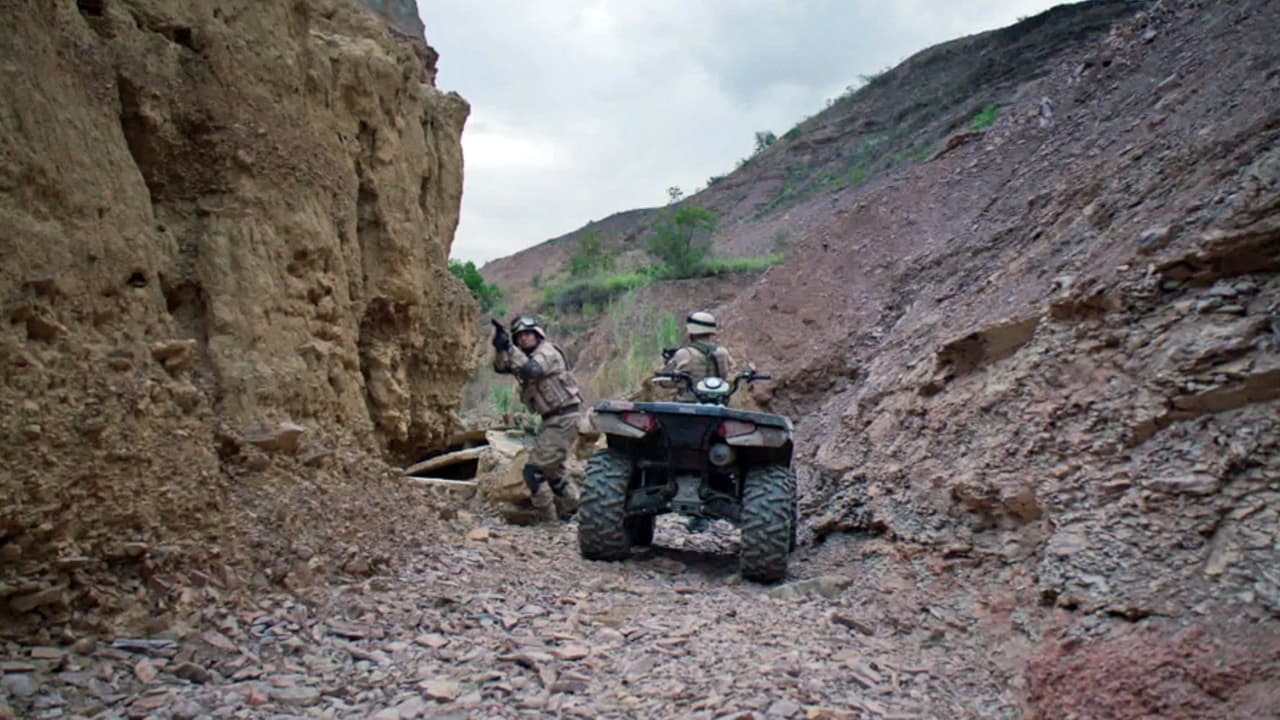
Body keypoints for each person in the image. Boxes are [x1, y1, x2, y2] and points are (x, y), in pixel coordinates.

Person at [492, 316, 584, 523]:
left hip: (564, 418)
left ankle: (549, 523)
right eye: (519, 337)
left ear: (538, 334)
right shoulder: (525, 356)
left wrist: (510, 347)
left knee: (533, 472)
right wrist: (500, 347)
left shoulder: (547, 352)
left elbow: (531, 370)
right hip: (553, 420)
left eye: (528, 334)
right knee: (553, 473)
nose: (524, 339)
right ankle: (577, 511)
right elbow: (500, 368)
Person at [654, 310, 735, 402]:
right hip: (718, 403)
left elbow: (663, 382)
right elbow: (730, 376)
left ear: (691, 332)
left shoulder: (685, 353)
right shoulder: (723, 353)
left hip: (688, 405)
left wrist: (667, 363)